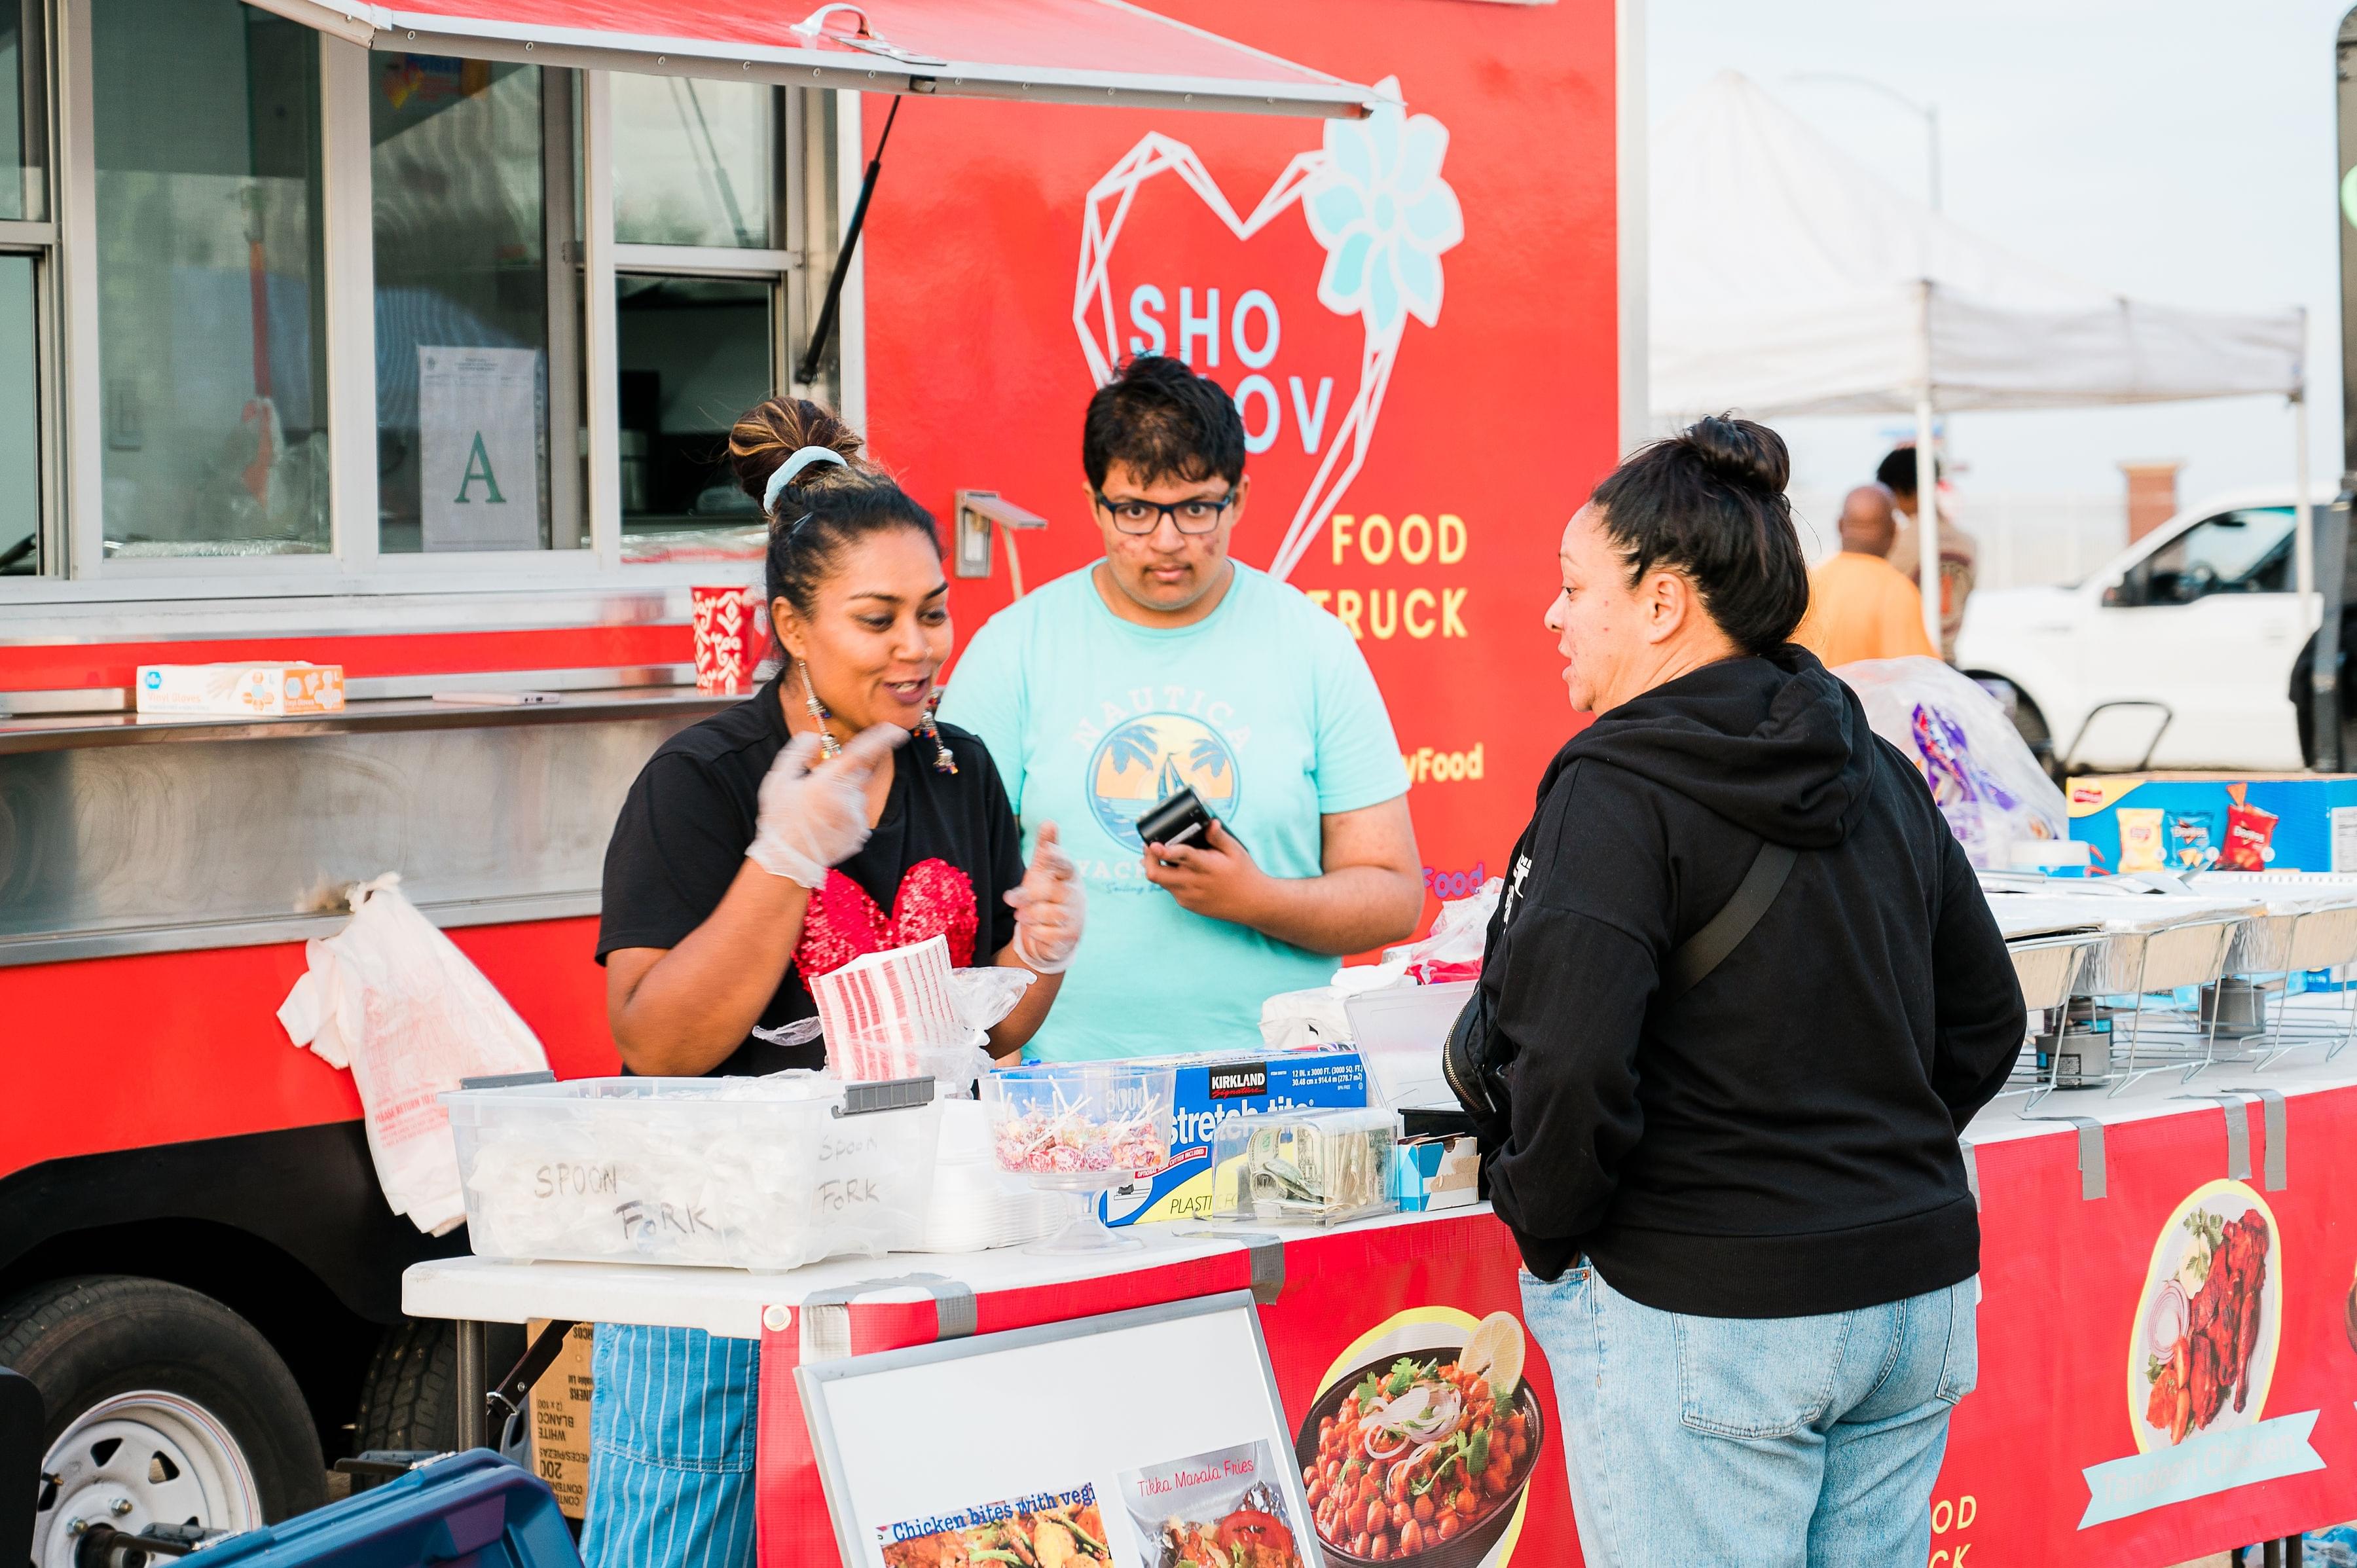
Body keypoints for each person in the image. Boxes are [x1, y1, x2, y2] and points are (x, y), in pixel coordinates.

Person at [1461, 416, 2024, 1565]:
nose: (1554, 615)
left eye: (1575, 587)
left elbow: (1568, 1060)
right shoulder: (1876, 765)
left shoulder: (1618, 787)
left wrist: (1549, 1234)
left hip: (1712, 1306)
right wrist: (1865, 1160)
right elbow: (1987, 1018)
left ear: (1663, 603)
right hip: (1909, 1295)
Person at [581, 397, 1084, 1568]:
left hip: (909, 1250)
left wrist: (1040, 954)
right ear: (793, 627)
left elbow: (985, 1035)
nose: (918, 648)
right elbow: (658, 1043)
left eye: (933, 612)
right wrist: (784, 860)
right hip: (718, 1280)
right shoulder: (701, 781)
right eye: (877, 619)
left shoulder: (960, 770)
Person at [940, 354, 1423, 1060]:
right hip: (1063, 1086)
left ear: (1239, 497)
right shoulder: (1012, 649)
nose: (1167, 542)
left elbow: (1394, 896)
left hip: (1282, 1081)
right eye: (1136, 511)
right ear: (1094, 502)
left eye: (1196, 508)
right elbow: (949, 899)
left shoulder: (1312, 643)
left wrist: (1254, 898)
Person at [1792, 484, 1939, 666]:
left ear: (1840, 526)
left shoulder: (1808, 585)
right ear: (1894, 530)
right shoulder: (1895, 591)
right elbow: (1920, 671)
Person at [1879, 445, 1977, 661]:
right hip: (1948, 659)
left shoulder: (1897, 543)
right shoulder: (1968, 544)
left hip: (1910, 660)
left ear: (1898, 490)